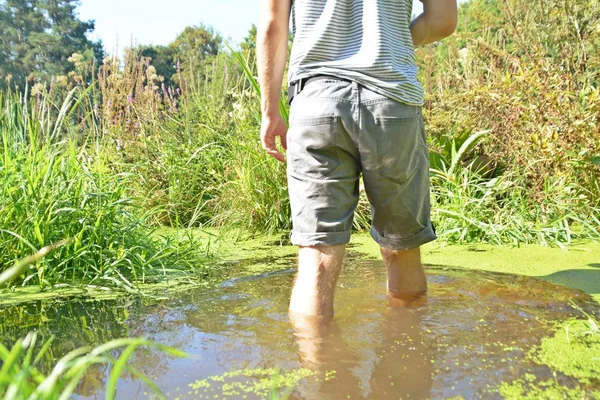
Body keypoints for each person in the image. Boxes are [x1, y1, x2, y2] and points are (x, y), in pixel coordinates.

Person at [257, 0, 457, 318]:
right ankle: (406, 359)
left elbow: (273, 25)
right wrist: (395, 40)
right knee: (401, 249)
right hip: (392, 99)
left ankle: (318, 365)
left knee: (316, 259)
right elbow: (443, 19)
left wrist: (269, 112)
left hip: (317, 103)